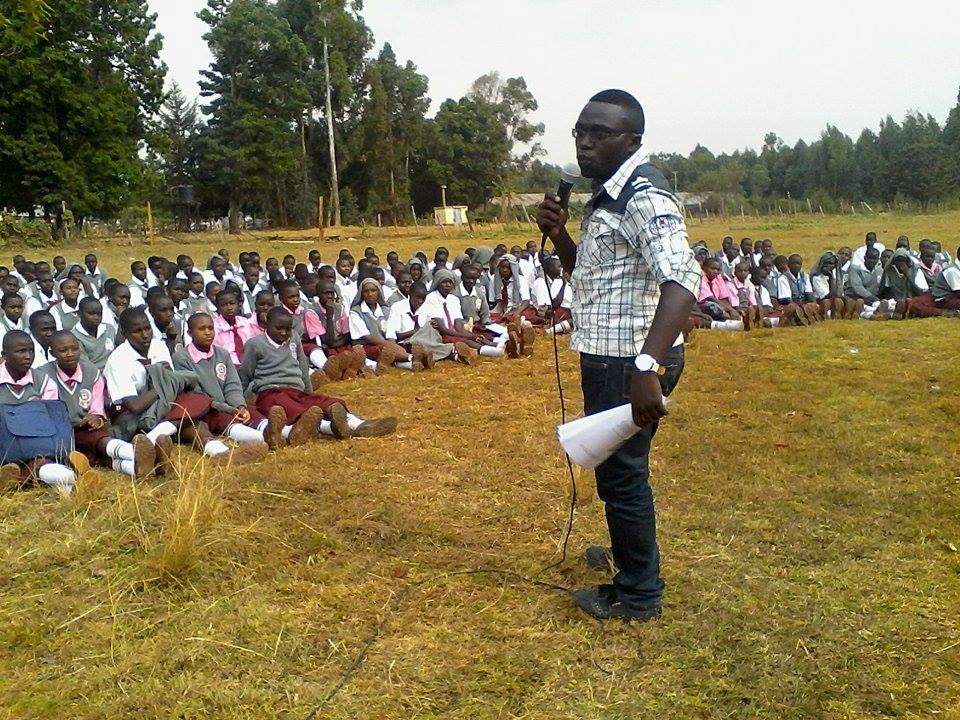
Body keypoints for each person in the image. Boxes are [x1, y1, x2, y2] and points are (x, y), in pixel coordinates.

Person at [537, 88, 699, 621]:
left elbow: (682, 280)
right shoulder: (605, 196)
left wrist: (646, 367)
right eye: (580, 132)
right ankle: (630, 557)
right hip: (610, 355)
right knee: (617, 470)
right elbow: (596, 274)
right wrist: (560, 236)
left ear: (632, 140)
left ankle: (638, 594)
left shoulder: (643, 196)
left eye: (599, 135)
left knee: (623, 475)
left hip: (628, 362)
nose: (584, 144)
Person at [238, 307, 396, 443]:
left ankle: (359, 424)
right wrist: (240, 402)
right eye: (278, 328)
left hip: (297, 390)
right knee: (298, 409)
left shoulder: (293, 338)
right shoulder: (255, 344)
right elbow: (245, 374)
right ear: (266, 325)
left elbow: (302, 366)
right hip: (272, 392)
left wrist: (308, 391)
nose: (283, 332)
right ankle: (332, 428)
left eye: (288, 328)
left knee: (325, 402)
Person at [42, 331, 156, 480]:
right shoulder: (44, 375)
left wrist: (96, 416)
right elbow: (48, 410)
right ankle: (148, 461)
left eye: (74, 349)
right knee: (95, 455)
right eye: (63, 351)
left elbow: (97, 404)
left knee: (98, 439)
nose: (70, 354)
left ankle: (134, 454)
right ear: (52, 352)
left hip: (86, 429)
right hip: (60, 434)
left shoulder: (91, 372)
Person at [172, 314, 274, 457]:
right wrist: (229, 409)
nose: (208, 332)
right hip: (208, 409)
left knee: (252, 412)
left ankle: (273, 430)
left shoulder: (222, 354)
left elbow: (232, 384)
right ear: (190, 333)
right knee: (223, 419)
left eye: (210, 328)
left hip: (229, 406)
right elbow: (196, 394)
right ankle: (258, 439)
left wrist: (239, 406)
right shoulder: (182, 358)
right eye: (201, 329)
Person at [0, 330, 77, 492]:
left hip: (38, 445)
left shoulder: (43, 381)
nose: (28, 356)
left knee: (41, 461)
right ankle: (75, 478)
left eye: (31, 350)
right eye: (21, 351)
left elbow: (53, 420)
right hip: (4, 446)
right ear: (4, 355)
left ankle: (15, 478)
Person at [73, 297, 116, 370]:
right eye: (91, 314)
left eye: (99, 314)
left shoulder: (109, 329)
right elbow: (85, 366)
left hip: (114, 370)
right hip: (94, 375)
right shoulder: (75, 337)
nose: (96, 317)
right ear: (79, 314)